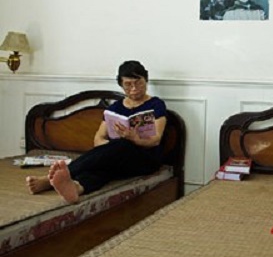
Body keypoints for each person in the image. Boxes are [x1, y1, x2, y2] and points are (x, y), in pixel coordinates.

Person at [26, 61, 167, 204]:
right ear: (121, 84)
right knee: (105, 168)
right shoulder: (115, 108)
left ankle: (52, 178)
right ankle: (77, 187)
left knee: (122, 145)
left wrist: (134, 139)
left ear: (146, 80)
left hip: (146, 159)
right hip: (119, 157)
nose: (134, 88)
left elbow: (156, 140)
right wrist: (110, 149)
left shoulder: (156, 104)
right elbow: (98, 139)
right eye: (128, 84)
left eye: (139, 83)